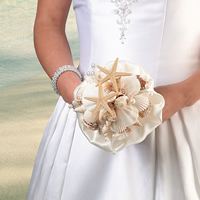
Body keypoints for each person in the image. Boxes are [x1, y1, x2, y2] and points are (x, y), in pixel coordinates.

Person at [27, 0, 200, 199]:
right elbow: (49, 21)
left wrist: (183, 95)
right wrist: (74, 92)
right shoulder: (81, 101)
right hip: (87, 115)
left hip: (181, 114)